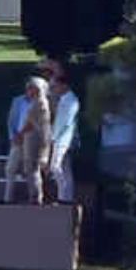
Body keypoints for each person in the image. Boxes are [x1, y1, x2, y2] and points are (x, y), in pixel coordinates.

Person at [2, 77, 51, 204]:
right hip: (18, 138)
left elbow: (32, 123)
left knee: (31, 169)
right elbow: (11, 120)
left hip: (33, 139)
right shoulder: (18, 101)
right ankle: (8, 198)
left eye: (32, 88)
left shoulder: (41, 103)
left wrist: (21, 134)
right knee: (10, 168)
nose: (29, 90)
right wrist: (13, 136)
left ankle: (35, 197)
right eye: (28, 87)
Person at [48, 74, 80, 205]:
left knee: (55, 167)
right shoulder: (64, 99)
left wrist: (54, 137)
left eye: (55, 86)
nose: (53, 89)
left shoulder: (71, 100)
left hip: (63, 139)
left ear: (64, 85)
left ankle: (63, 197)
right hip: (61, 138)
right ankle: (66, 197)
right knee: (65, 169)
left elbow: (65, 122)